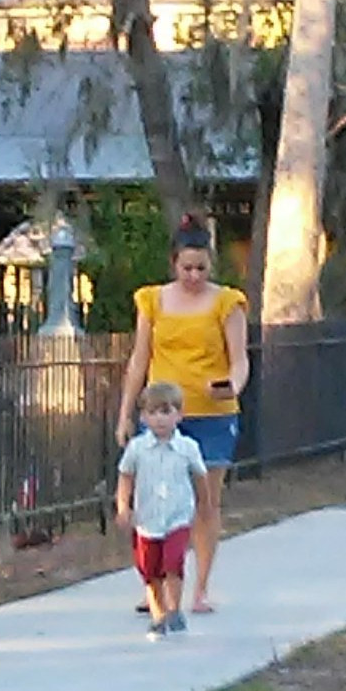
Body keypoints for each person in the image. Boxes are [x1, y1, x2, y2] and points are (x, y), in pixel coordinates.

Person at [115, 210, 249, 614]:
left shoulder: (227, 303)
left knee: (204, 502)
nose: (194, 276)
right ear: (173, 263)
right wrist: (126, 413)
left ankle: (201, 588)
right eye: (187, 268)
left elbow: (240, 359)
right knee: (154, 501)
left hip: (211, 414)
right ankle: (155, 585)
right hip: (160, 416)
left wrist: (230, 386)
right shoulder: (152, 300)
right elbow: (139, 360)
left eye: (201, 268)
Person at [115, 381, 210, 640]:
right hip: (146, 521)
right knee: (150, 570)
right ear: (144, 417)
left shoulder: (188, 448)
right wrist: (124, 507)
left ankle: (174, 611)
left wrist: (205, 507)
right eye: (153, 413)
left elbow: (200, 478)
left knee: (173, 562)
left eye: (166, 412)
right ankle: (158, 614)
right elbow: (125, 477)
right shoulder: (137, 449)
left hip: (178, 517)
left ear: (179, 415)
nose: (160, 419)